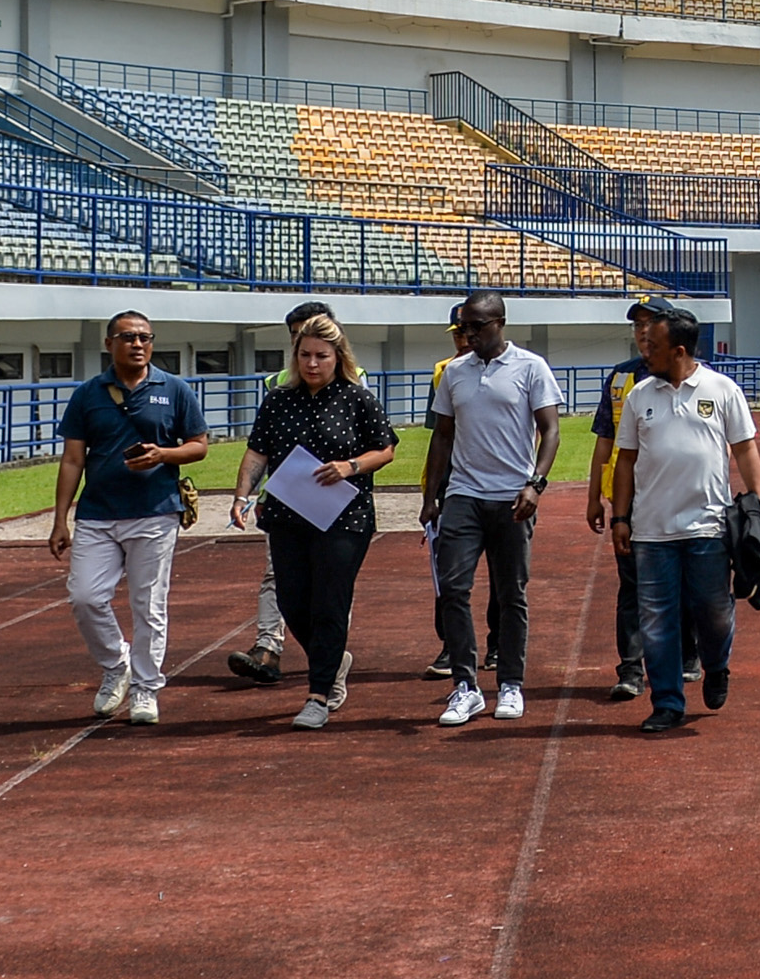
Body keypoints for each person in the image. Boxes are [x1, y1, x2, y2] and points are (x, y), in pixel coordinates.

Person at [231, 314, 396, 730]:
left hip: (344, 517)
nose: (312, 363)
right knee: (291, 600)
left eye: (321, 356)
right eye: (305, 355)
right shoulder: (278, 400)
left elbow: (385, 449)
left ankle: (318, 694)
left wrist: (350, 466)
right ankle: (333, 659)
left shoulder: (357, 398)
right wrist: (242, 495)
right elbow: (258, 451)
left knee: (329, 602)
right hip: (288, 514)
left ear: (338, 357)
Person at [47, 310, 210, 727]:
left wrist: (163, 455)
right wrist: (61, 518)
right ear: (109, 344)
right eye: (128, 337)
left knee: (148, 604)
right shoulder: (88, 394)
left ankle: (145, 687)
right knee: (85, 596)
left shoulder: (174, 389)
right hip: (98, 513)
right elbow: (72, 459)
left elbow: (198, 445)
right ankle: (116, 664)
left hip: (155, 512)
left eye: (145, 337)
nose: (138, 344)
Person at [609, 304, 760, 737]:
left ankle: (716, 665)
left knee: (713, 610)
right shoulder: (639, 396)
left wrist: (757, 510)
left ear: (679, 351)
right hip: (651, 531)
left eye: (654, 346)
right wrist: (620, 517)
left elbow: (745, 449)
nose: (645, 353)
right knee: (656, 619)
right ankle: (667, 702)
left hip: (708, 528)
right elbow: (626, 460)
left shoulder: (722, 389)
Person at [422, 289, 563, 727]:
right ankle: (465, 686)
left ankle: (510, 683)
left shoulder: (531, 367)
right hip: (464, 494)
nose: (468, 334)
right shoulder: (454, 373)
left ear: (499, 323)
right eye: (463, 326)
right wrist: (430, 496)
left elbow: (550, 430)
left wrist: (535, 484)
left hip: (512, 496)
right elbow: (442, 434)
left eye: (476, 326)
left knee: (510, 594)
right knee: (453, 589)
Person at [224, 297, 342, 686]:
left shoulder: (354, 381)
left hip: (332, 498)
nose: (302, 346)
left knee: (330, 581)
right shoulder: (275, 385)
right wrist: (246, 495)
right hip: (285, 498)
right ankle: (268, 648)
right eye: (295, 337)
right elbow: (261, 445)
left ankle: (329, 652)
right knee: (278, 575)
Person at [583, 318, 656, 703]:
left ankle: (689, 650)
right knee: (632, 585)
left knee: (683, 581)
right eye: (638, 326)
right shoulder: (620, 377)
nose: (643, 332)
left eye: (651, 324)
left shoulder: (695, 374)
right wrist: (594, 496)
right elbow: (604, 440)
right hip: (628, 499)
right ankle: (630, 668)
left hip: (673, 496)